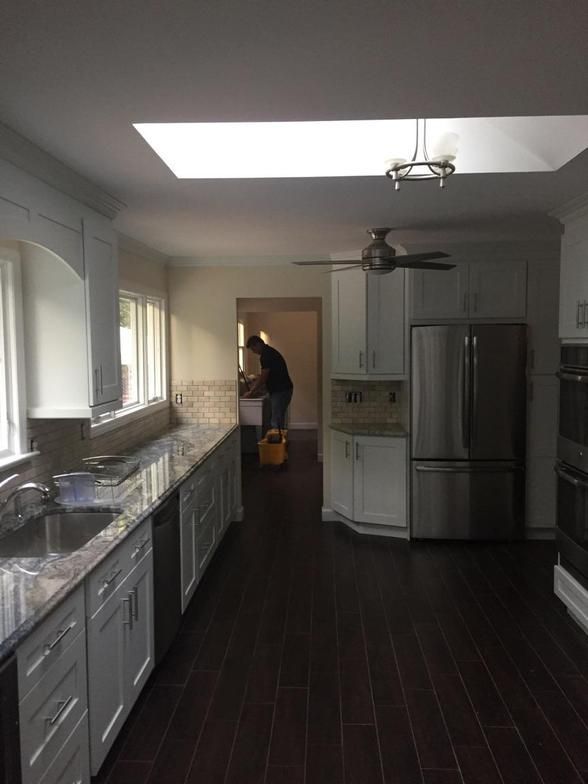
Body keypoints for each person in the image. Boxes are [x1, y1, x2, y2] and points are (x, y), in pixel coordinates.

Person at [243, 335, 293, 431]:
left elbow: (263, 378)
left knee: (275, 421)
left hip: (280, 391)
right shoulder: (269, 352)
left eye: (253, 349)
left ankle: (276, 444)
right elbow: (267, 374)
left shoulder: (266, 355)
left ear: (258, 344)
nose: (254, 352)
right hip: (283, 390)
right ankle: (279, 442)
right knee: (277, 418)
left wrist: (251, 392)